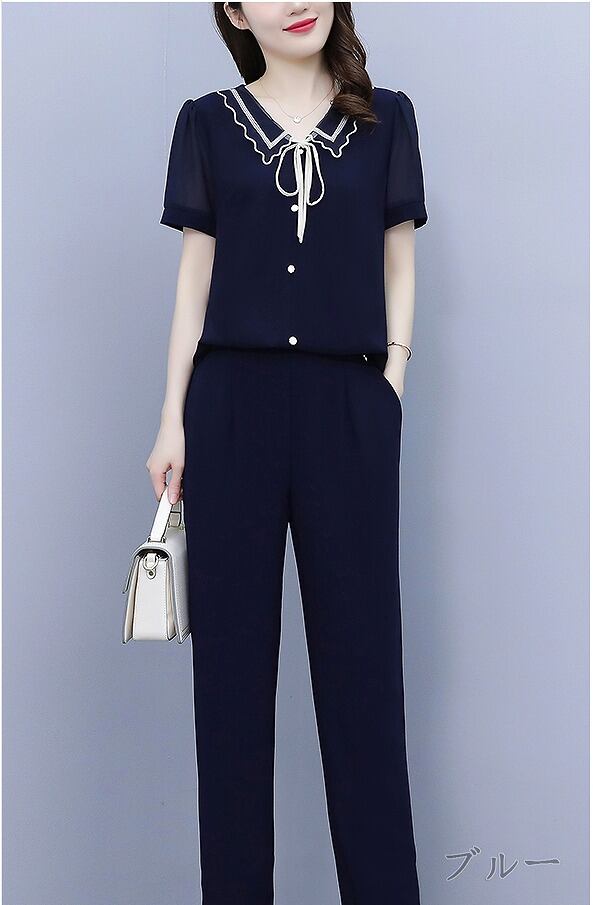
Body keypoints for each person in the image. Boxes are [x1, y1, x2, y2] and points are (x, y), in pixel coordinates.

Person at [147, 3, 429, 903]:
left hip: (348, 408)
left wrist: (390, 381)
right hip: (231, 411)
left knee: (363, 680)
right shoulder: (207, 123)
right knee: (229, 689)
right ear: (235, 12)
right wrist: (171, 419)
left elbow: (397, 262)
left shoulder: (385, 119)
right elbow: (194, 280)